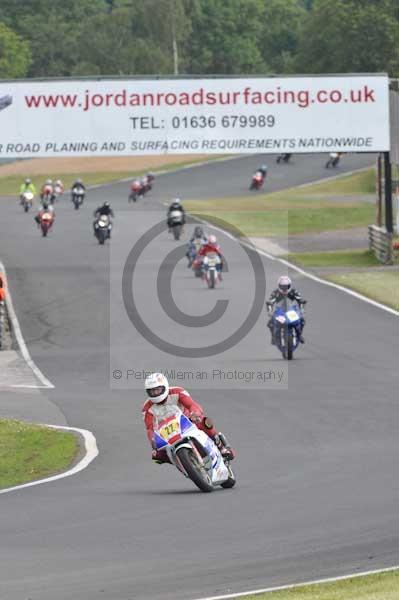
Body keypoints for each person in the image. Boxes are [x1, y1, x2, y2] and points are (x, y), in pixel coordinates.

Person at [142, 373, 235, 464]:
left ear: (165, 387)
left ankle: (221, 446)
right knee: (156, 456)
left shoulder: (177, 391)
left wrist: (195, 413)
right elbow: (150, 428)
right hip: (167, 433)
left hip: (186, 422)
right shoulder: (147, 408)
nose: (155, 393)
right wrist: (153, 441)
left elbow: (192, 404)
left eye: (158, 390)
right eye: (152, 391)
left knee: (205, 421)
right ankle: (180, 462)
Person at [266, 276, 307, 344]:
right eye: (282, 287)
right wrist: (270, 311)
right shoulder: (275, 293)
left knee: (302, 320)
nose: (284, 289)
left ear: (289, 286)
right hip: (279, 311)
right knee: (270, 323)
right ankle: (273, 337)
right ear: (279, 286)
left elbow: (301, 301)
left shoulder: (294, 292)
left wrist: (302, 309)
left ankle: (299, 335)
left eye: (286, 286)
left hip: (292, 310)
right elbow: (270, 302)